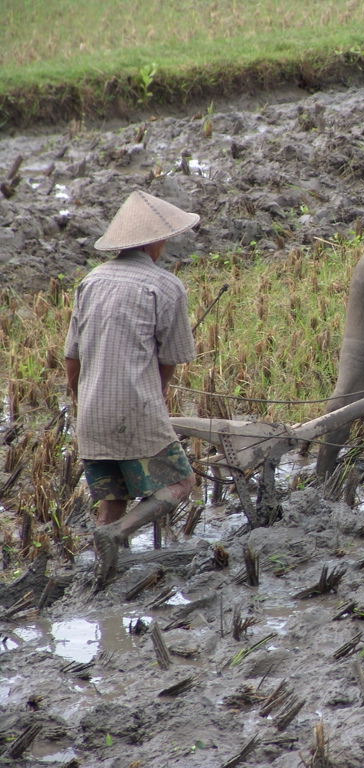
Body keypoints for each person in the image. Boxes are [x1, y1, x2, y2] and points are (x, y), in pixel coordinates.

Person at [64, 190, 199, 586]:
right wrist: (156, 398)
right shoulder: (165, 286)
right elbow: (170, 359)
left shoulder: (90, 281)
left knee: (112, 499)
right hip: (136, 409)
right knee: (182, 482)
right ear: (157, 240)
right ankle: (118, 534)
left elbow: (71, 359)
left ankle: (102, 578)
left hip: (91, 413)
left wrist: (82, 400)